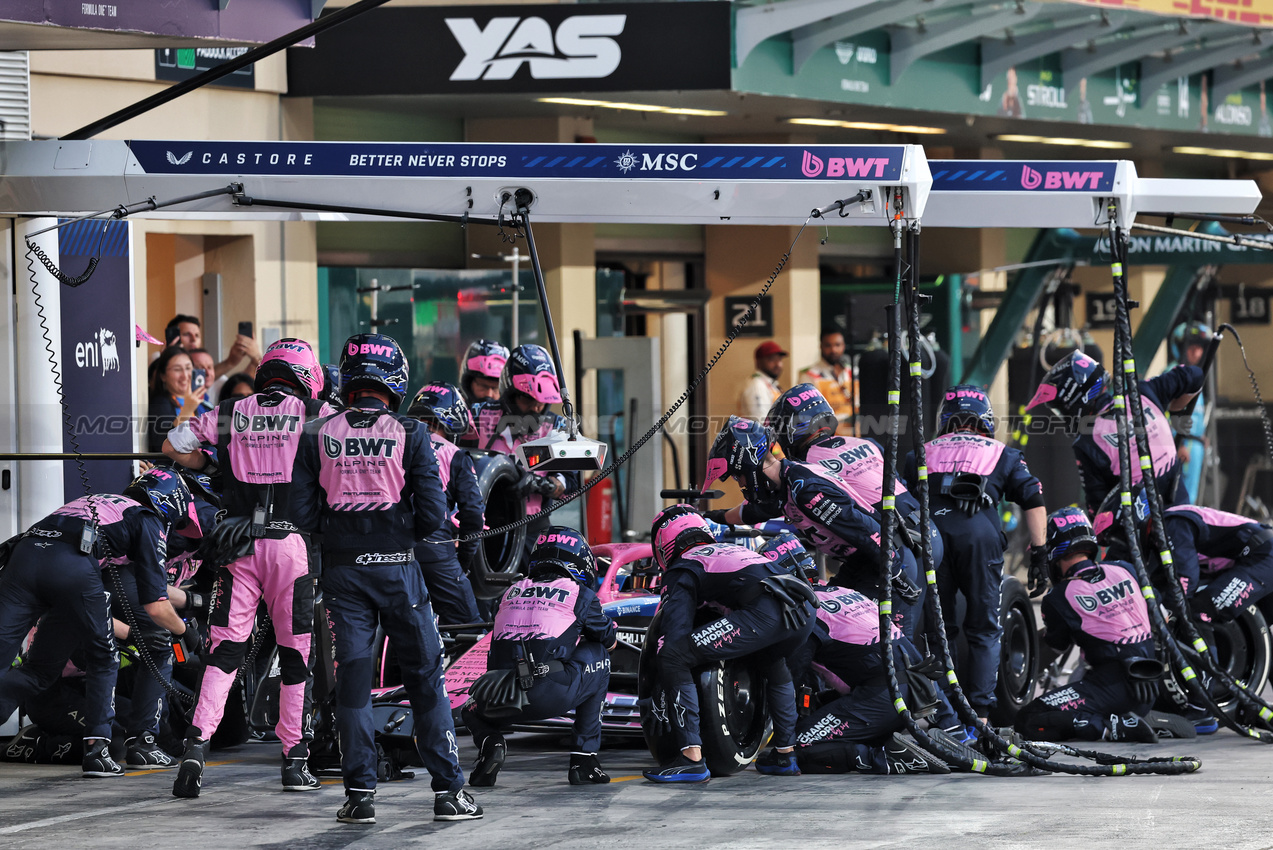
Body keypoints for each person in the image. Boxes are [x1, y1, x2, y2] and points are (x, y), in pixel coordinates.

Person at [292, 333, 482, 825]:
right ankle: (449, 793)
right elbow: (434, 513)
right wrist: (397, 533)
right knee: (425, 680)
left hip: (342, 573)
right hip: (399, 568)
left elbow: (301, 514)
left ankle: (358, 796)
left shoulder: (314, 433)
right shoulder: (413, 432)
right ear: (394, 379)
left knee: (354, 683)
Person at [163, 338, 333, 798]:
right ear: (307, 374)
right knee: (296, 656)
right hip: (292, 548)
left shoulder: (227, 411)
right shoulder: (318, 412)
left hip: (237, 545)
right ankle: (294, 761)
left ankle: (194, 753)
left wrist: (212, 464)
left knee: (225, 655)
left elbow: (172, 445)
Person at [0, 469, 194, 777]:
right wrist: (188, 632)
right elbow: (156, 606)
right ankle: (100, 751)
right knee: (105, 656)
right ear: (170, 503)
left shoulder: (96, 501)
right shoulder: (147, 518)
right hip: (71, 566)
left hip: (25, 556)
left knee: (36, 670)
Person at [902, 385, 1048, 722]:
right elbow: (1034, 502)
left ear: (944, 420)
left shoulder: (918, 454)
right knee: (984, 628)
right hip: (979, 535)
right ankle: (980, 714)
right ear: (986, 420)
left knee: (940, 628)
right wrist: (1039, 553)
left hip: (930, 537)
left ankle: (947, 713)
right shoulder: (1003, 453)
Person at [707, 416, 924, 641]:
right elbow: (753, 512)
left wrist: (896, 572)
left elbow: (864, 528)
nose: (740, 484)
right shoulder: (786, 482)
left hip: (885, 559)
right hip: (865, 561)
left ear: (750, 466)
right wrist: (711, 517)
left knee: (884, 646)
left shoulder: (805, 490)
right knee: (823, 619)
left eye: (737, 476)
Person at [642, 505, 815, 782]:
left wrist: (658, 687)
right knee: (771, 659)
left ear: (663, 542)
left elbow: (674, 631)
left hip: (766, 610)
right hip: (802, 608)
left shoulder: (684, 565)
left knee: (674, 656)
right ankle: (785, 753)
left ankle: (691, 759)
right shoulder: (727, 549)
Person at [462, 527, 616, 787]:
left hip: (497, 698)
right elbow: (608, 641)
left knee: (469, 710)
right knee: (599, 656)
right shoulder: (580, 593)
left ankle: (491, 742)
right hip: (547, 694)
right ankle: (584, 761)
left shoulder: (509, 592)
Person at [1014, 508, 1160, 743]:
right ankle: (1137, 717)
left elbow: (1054, 647)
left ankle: (1111, 726)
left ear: (1054, 551)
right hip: (1152, 680)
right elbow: (1157, 612)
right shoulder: (1125, 568)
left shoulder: (1059, 597)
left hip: (1112, 688)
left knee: (1029, 719)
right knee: (1085, 672)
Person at [1027, 350, 1202, 515]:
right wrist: (1176, 411)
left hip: (1143, 532)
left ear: (1074, 399)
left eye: (1061, 411)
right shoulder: (1143, 393)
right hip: (1184, 513)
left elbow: (1098, 508)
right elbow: (1195, 375)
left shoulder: (1087, 440)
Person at [460, 344, 573, 563]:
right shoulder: (479, 415)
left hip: (534, 532)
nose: (536, 409)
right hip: (482, 529)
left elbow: (570, 482)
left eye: (542, 402)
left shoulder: (559, 427)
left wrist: (538, 484)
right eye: (528, 400)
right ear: (510, 394)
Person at [1094, 490, 1273, 625]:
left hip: (1263, 557)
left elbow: (1185, 578)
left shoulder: (1171, 525)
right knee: (1252, 634)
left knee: (1200, 613)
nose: (1122, 543)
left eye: (1120, 536)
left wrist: (1169, 614)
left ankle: (1205, 676)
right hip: (1255, 560)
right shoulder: (1161, 533)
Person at [407, 382, 483, 627]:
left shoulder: (393, 443)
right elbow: (473, 515)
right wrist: (462, 562)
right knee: (470, 629)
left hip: (388, 553)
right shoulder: (454, 453)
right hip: (436, 553)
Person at [1169, 322, 1211, 504]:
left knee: (1191, 498)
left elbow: (1195, 415)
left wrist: (1201, 436)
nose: (1197, 353)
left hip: (1195, 445)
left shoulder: (1195, 376)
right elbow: (1169, 412)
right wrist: (1178, 444)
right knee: (1180, 497)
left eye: (1200, 348)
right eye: (1192, 347)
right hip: (1181, 446)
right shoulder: (1174, 374)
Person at [147, 347, 210, 453]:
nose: (185, 376)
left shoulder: (202, 402)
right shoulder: (160, 403)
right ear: (163, 376)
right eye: (177, 369)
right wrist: (187, 411)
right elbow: (161, 447)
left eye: (188, 368)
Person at [165, 314, 262, 380]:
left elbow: (240, 388)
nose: (194, 339)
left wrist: (254, 359)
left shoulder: (214, 377)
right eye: (186, 334)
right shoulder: (159, 359)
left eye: (197, 335)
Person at [798, 329, 854, 431]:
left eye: (837, 345)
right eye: (828, 345)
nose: (833, 350)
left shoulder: (851, 371)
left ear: (843, 346)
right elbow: (809, 414)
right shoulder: (809, 375)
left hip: (856, 431)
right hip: (828, 434)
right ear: (820, 346)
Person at [738, 340, 787, 422]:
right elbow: (760, 423)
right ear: (758, 362)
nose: (778, 364)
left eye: (779, 359)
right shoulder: (757, 386)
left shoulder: (770, 384)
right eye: (772, 359)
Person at [459, 339, 509, 405]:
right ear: (468, 384)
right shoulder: (454, 407)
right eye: (483, 386)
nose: (489, 394)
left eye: (495, 389)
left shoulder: (513, 413)